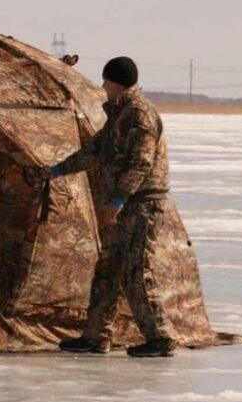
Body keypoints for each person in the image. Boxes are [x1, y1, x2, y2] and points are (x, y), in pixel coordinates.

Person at [41, 56, 179, 357]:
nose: (102, 86)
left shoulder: (139, 115)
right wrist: (57, 170)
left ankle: (161, 337)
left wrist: (118, 199)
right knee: (109, 270)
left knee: (136, 271)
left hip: (140, 204)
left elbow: (141, 163)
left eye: (105, 81)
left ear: (116, 82)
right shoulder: (119, 114)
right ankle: (95, 336)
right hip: (124, 204)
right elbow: (95, 150)